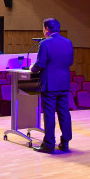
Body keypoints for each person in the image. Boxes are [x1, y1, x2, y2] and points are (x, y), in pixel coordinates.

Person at [30, 18, 74, 154]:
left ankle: (49, 144)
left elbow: (41, 64)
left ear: (47, 29)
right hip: (64, 83)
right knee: (64, 113)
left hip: (50, 84)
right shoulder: (68, 42)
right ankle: (65, 143)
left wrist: (32, 68)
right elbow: (70, 61)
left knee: (49, 114)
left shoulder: (45, 43)